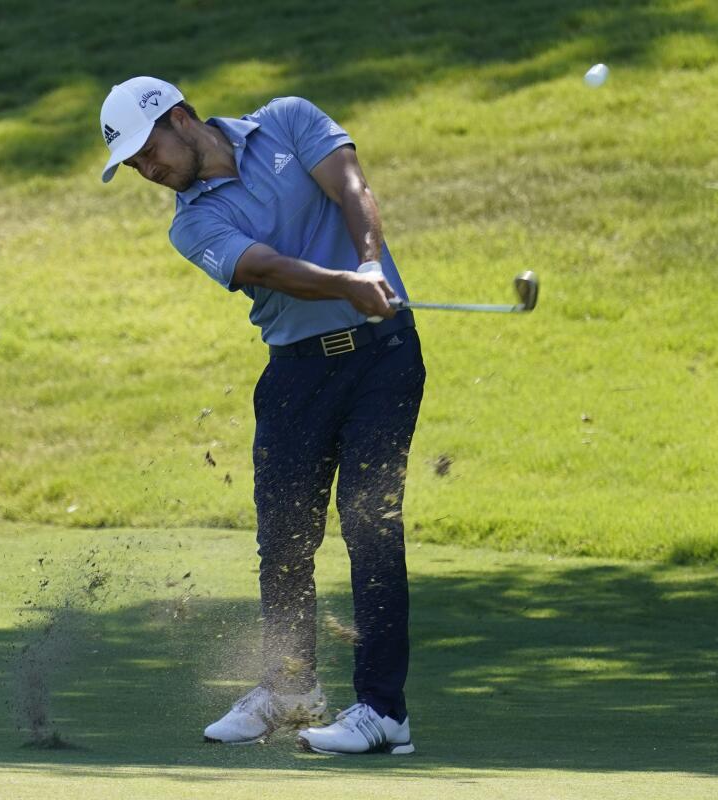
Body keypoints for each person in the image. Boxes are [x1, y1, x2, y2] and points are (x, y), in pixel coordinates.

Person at [98, 76, 424, 755]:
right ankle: (289, 690)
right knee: (283, 541)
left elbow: (352, 187)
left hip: (382, 358)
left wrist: (369, 264)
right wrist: (346, 285)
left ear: (181, 118)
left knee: (370, 524)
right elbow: (269, 267)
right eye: (132, 165)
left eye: (147, 150)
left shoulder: (289, 120)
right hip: (296, 372)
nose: (146, 169)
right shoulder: (191, 224)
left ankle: (383, 711)